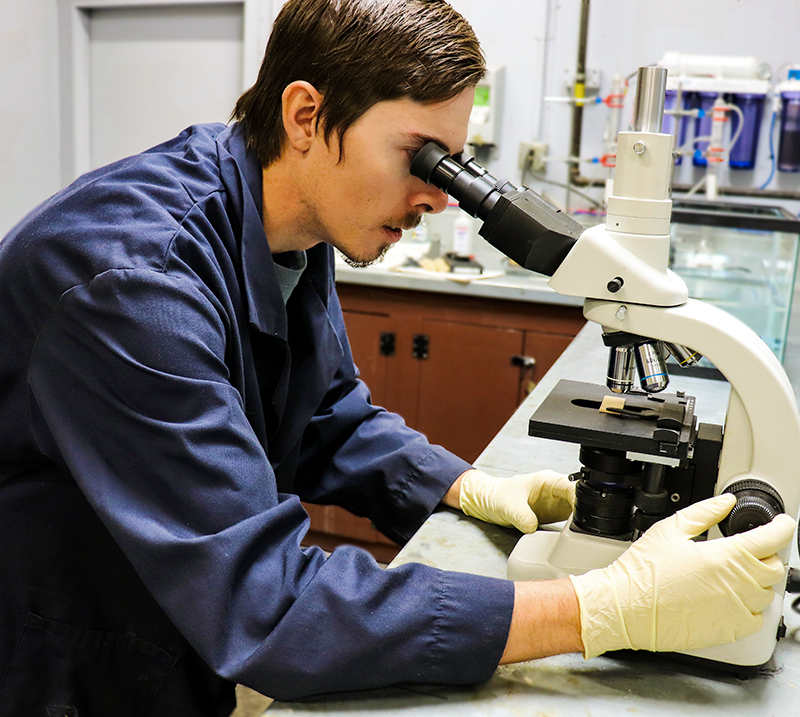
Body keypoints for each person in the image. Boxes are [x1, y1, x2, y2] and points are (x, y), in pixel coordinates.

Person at [0, 0, 793, 714]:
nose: (439, 198)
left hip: (165, 623)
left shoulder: (289, 225)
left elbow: (325, 417)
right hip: (63, 659)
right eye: (421, 158)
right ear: (307, 115)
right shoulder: (132, 284)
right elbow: (271, 609)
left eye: (453, 163)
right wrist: (603, 605)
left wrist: (466, 484)